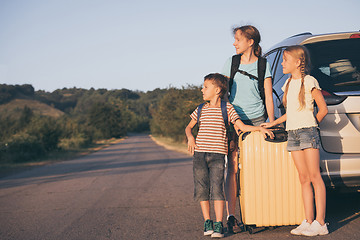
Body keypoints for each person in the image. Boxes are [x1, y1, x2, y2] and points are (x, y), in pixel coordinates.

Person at [185, 73, 273, 238]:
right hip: (200, 155)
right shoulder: (201, 109)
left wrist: (259, 129)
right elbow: (188, 127)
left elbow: (242, 126)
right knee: (202, 189)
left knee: (217, 189)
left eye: (205, 87)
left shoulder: (228, 108)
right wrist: (190, 137)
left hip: (218, 154)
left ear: (217, 90)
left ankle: (219, 224)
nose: (202, 90)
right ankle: (207, 222)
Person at [261, 45, 329, 236]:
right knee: (303, 178)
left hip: (308, 132)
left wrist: (312, 125)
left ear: (298, 62)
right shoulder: (288, 84)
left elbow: (323, 109)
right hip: (293, 133)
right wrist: (273, 122)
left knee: (315, 176)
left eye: (285, 60)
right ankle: (308, 221)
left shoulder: (309, 81)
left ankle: (320, 222)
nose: (282, 63)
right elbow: (290, 113)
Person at [221, 25, 275, 233]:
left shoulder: (263, 65)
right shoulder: (231, 63)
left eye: (238, 39)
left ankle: (260, 211)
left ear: (250, 42)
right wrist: (232, 118)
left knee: (258, 168)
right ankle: (232, 215)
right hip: (235, 122)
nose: (234, 43)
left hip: (259, 120)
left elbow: (268, 96)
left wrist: (270, 122)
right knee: (233, 168)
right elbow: (224, 94)